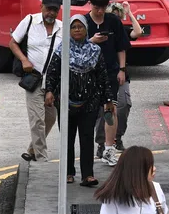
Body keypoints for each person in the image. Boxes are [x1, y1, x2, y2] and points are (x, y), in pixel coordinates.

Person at [43, 16, 115, 187]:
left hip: (89, 103)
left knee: (87, 137)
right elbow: (52, 73)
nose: (76, 30)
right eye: (73, 27)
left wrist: (108, 100)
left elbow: (102, 77)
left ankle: (88, 175)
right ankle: (68, 172)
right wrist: (49, 91)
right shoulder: (62, 50)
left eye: (80, 27)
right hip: (66, 102)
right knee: (67, 138)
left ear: (86, 30)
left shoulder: (95, 51)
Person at [9, 0, 63, 162]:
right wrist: (24, 60)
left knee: (50, 118)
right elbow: (13, 43)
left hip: (53, 82)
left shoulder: (62, 28)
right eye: (49, 9)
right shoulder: (30, 21)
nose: (51, 13)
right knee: (37, 120)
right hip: (34, 79)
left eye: (55, 10)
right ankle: (41, 158)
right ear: (41, 7)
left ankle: (33, 149)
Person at [84, 0, 130, 166]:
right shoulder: (83, 22)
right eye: (97, 7)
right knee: (89, 113)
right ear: (90, 4)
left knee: (111, 111)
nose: (100, 11)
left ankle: (110, 150)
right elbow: (74, 48)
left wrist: (122, 69)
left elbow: (121, 47)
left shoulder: (113, 21)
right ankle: (91, 148)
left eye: (103, 8)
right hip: (88, 73)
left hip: (110, 71)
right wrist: (92, 41)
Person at [95, 2, 142, 154]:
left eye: (118, 16)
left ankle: (117, 137)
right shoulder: (101, 33)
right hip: (104, 74)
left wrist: (130, 13)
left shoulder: (122, 31)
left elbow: (138, 32)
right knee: (105, 109)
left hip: (121, 76)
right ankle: (103, 142)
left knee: (123, 105)